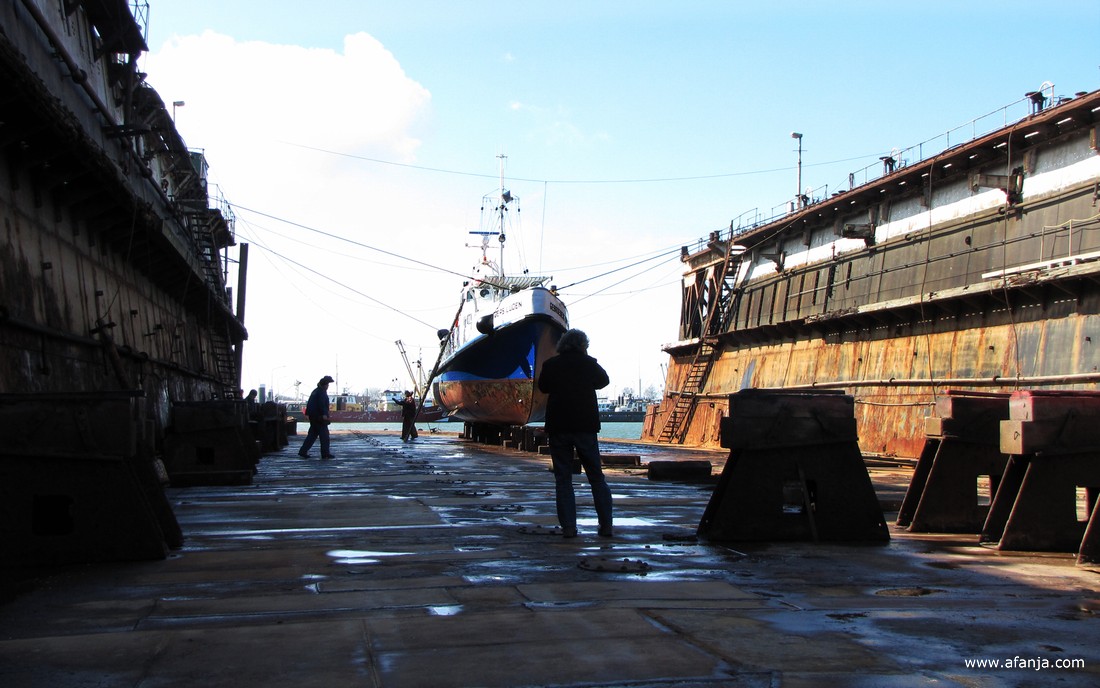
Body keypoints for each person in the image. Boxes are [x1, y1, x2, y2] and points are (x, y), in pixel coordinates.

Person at [536, 328, 613, 538]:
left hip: (559, 426)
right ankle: (606, 525)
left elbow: (543, 387)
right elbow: (603, 381)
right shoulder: (589, 364)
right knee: (596, 477)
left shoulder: (551, 365)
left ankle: (569, 527)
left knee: (563, 479)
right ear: (582, 346)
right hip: (585, 426)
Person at [298, 375, 335, 459]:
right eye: (327, 385)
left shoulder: (315, 391)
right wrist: (324, 415)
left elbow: (310, 404)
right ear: (324, 385)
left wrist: (308, 414)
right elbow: (322, 405)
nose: (328, 386)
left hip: (313, 417)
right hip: (319, 417)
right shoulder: (321, 392)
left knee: (312, 435)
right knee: (324, 436)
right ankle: (325, 454)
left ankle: (302, 451)